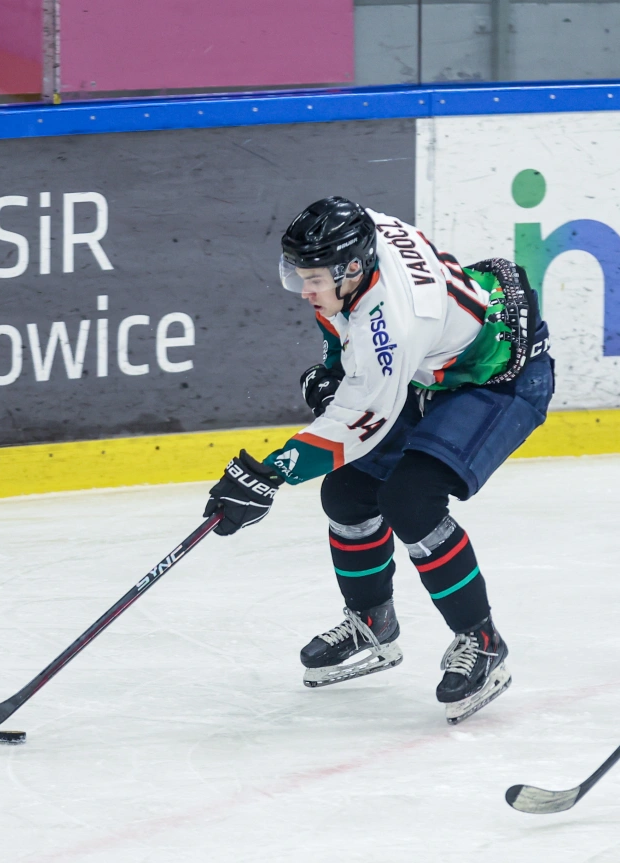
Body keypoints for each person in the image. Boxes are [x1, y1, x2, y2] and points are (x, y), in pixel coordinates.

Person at [201, 197, 554, 724]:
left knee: (412, 499)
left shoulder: (394, 323)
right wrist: (334, 370)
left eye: (313, 279)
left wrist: (269, 474)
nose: (304, 289)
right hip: (434, 363)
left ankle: (482, 641)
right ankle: (373, 624)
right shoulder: (360, 243)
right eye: (299, 274)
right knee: (347, 493)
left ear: (351, 268)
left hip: (500, 376)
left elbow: (358, 423)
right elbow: (343, 334)